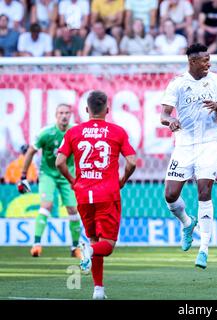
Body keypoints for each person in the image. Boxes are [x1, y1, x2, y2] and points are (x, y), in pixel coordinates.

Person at [56, 91, 137, 300]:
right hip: (107, 194)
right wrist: (123, 180)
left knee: (94, 240)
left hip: (83, 194)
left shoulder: (74, 132)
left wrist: (73, 181)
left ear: (86, 110)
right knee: (106, 246)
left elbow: (59, 162)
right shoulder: (117, 132)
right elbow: (132, 161)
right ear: (107, 110)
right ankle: (89, 253)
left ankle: (98, 290)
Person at [160, 43, 217, 269]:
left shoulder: (215, 80)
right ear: (192, 62)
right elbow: (164, 114)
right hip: (184, 144)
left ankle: (204, 249)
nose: (209, 63)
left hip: (209, 142)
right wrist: (171, 121)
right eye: (204, 60)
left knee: (204, 190)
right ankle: (188, 224)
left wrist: (216, 105)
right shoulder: (178, 83)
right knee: (170, 195)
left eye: (209, 59)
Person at [17, 104, 81, 258]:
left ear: (70, 115)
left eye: (67, 113)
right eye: (61, 113)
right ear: (56, 115)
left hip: (67, 175)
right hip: (48, 174)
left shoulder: (76, 131)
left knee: (73, 210)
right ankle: (36, 245)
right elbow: (31, 151)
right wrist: (23, 176)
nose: (64, 116)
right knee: (46, 205)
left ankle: (75, 247)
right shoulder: (46, 133)